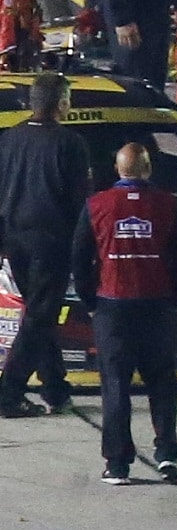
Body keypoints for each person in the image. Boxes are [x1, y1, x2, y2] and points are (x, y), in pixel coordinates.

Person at [71, 143, 177, 485]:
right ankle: (167, 455)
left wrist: (91, 301)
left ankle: (117, 463)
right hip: (158, 306)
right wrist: (176, 298)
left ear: (118, 169)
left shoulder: (96, 206)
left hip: (112, 305)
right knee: (163, 381)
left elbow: (79, 259)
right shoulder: (169, 205)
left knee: (114, 384)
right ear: (148, 169)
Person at [0, 72, 91, 418]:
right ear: (63, 103)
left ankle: (55, 387)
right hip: (51, 240)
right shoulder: (70, 145)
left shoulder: (9, 139)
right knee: (40, 315)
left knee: (41, 314)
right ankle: (9, 392)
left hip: (14, 238)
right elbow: (79, 202)